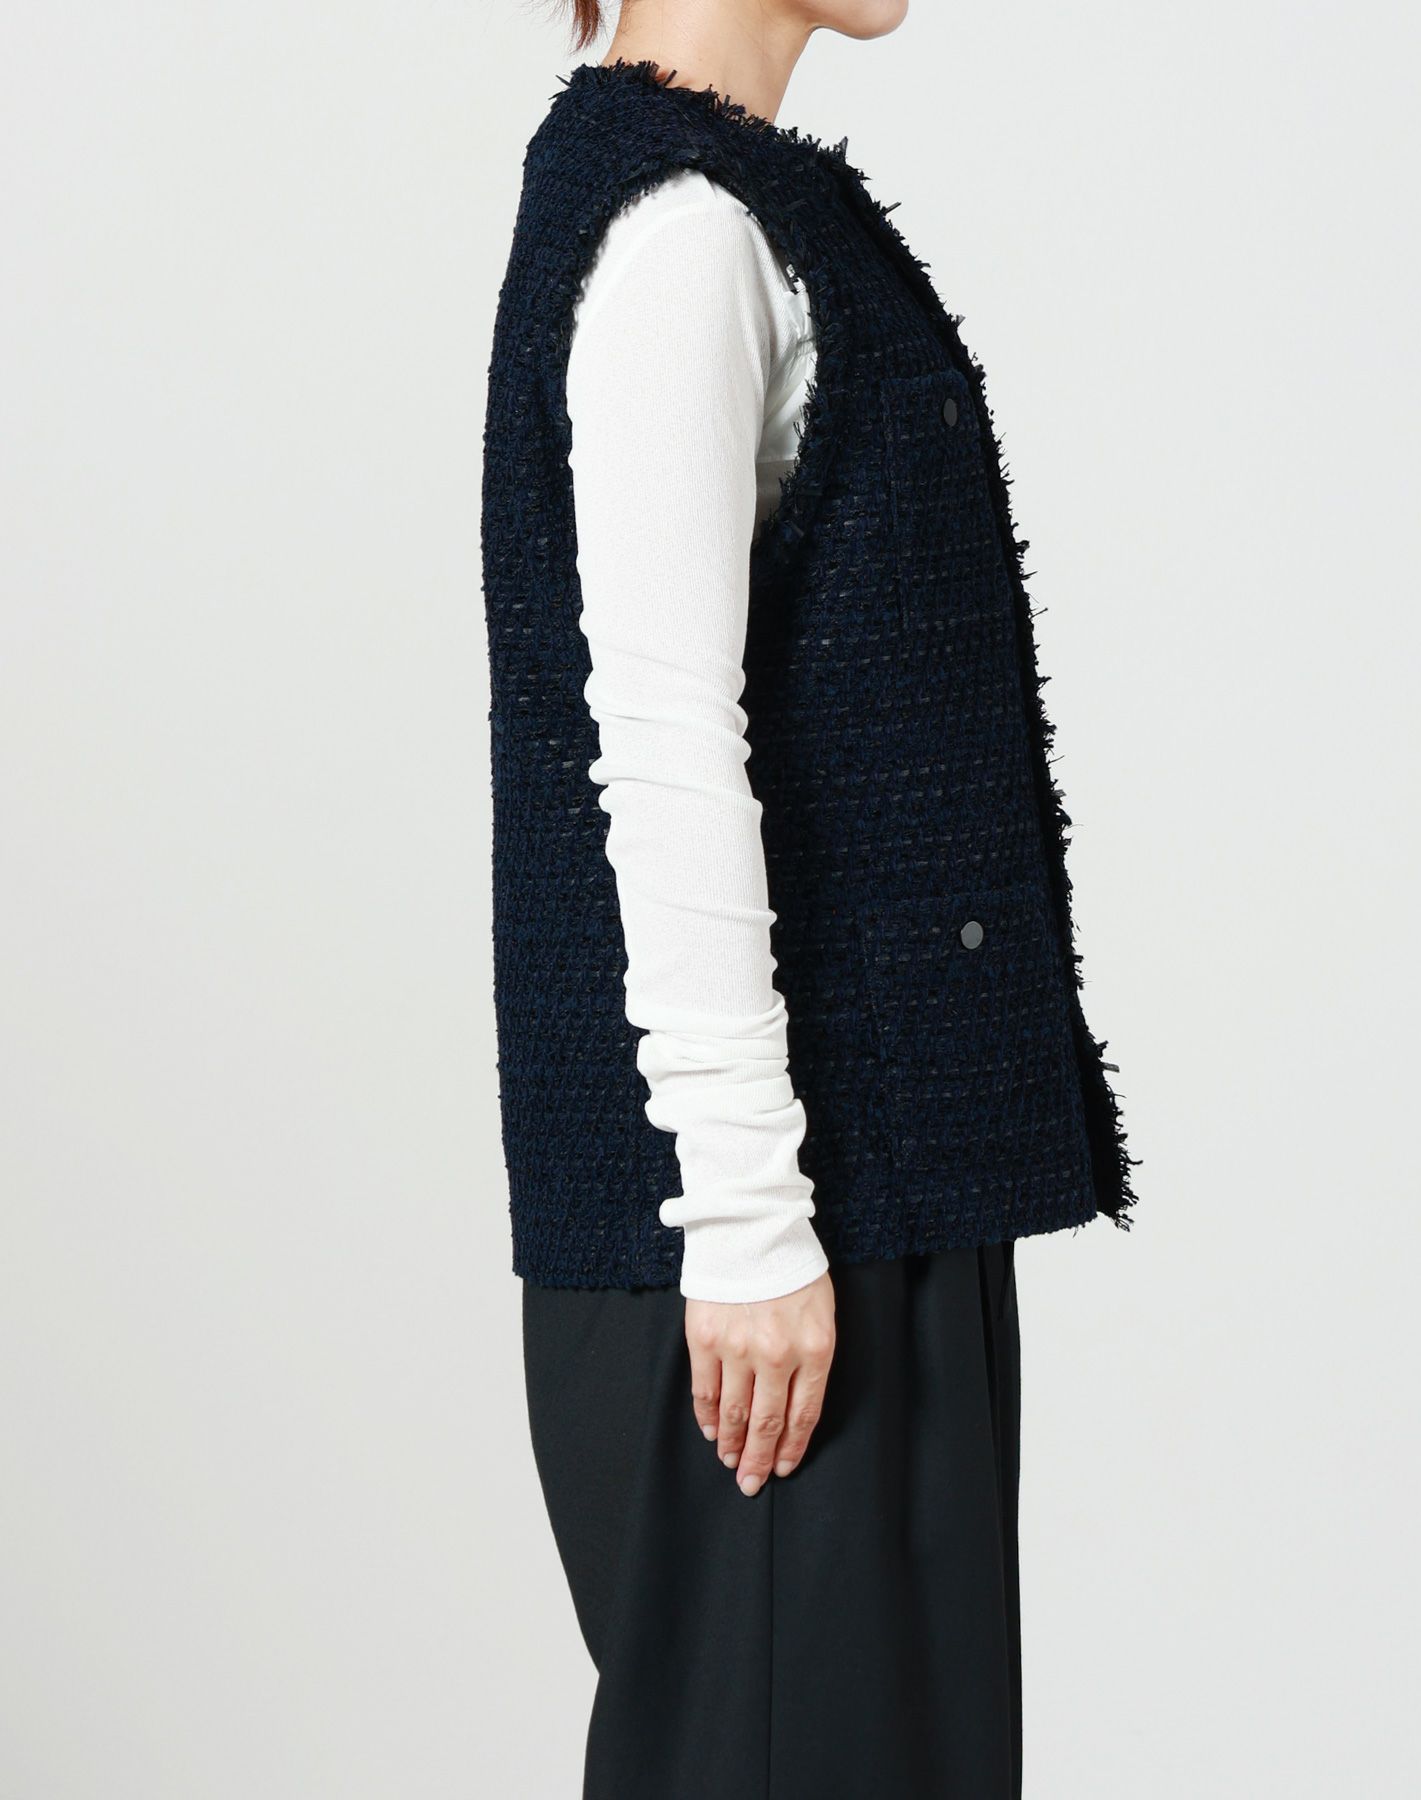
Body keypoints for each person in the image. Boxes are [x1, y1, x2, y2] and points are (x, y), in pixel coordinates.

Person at [479, 3, 1138, 1793]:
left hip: (851, 1210)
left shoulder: (733, 205)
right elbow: (657, 739)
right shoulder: (679, 230)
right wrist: (750, 1221)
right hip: (772, 1246)